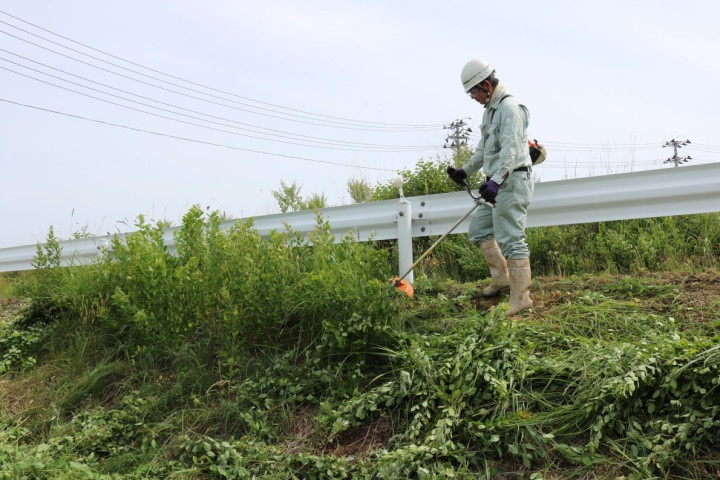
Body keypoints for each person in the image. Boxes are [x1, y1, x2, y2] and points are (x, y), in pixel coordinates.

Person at [446, 58, 534, 316]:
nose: (473, 97)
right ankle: (502, 279)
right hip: (496, 183)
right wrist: (465, 170)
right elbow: (484, 150)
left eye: (474, 91)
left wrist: (496, 180)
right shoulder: (490, 112)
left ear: (485, 84)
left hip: (512, 181)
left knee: (511, 239)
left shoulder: (510, 108)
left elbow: (512, 149)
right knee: (480, 229)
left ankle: (521, 299)